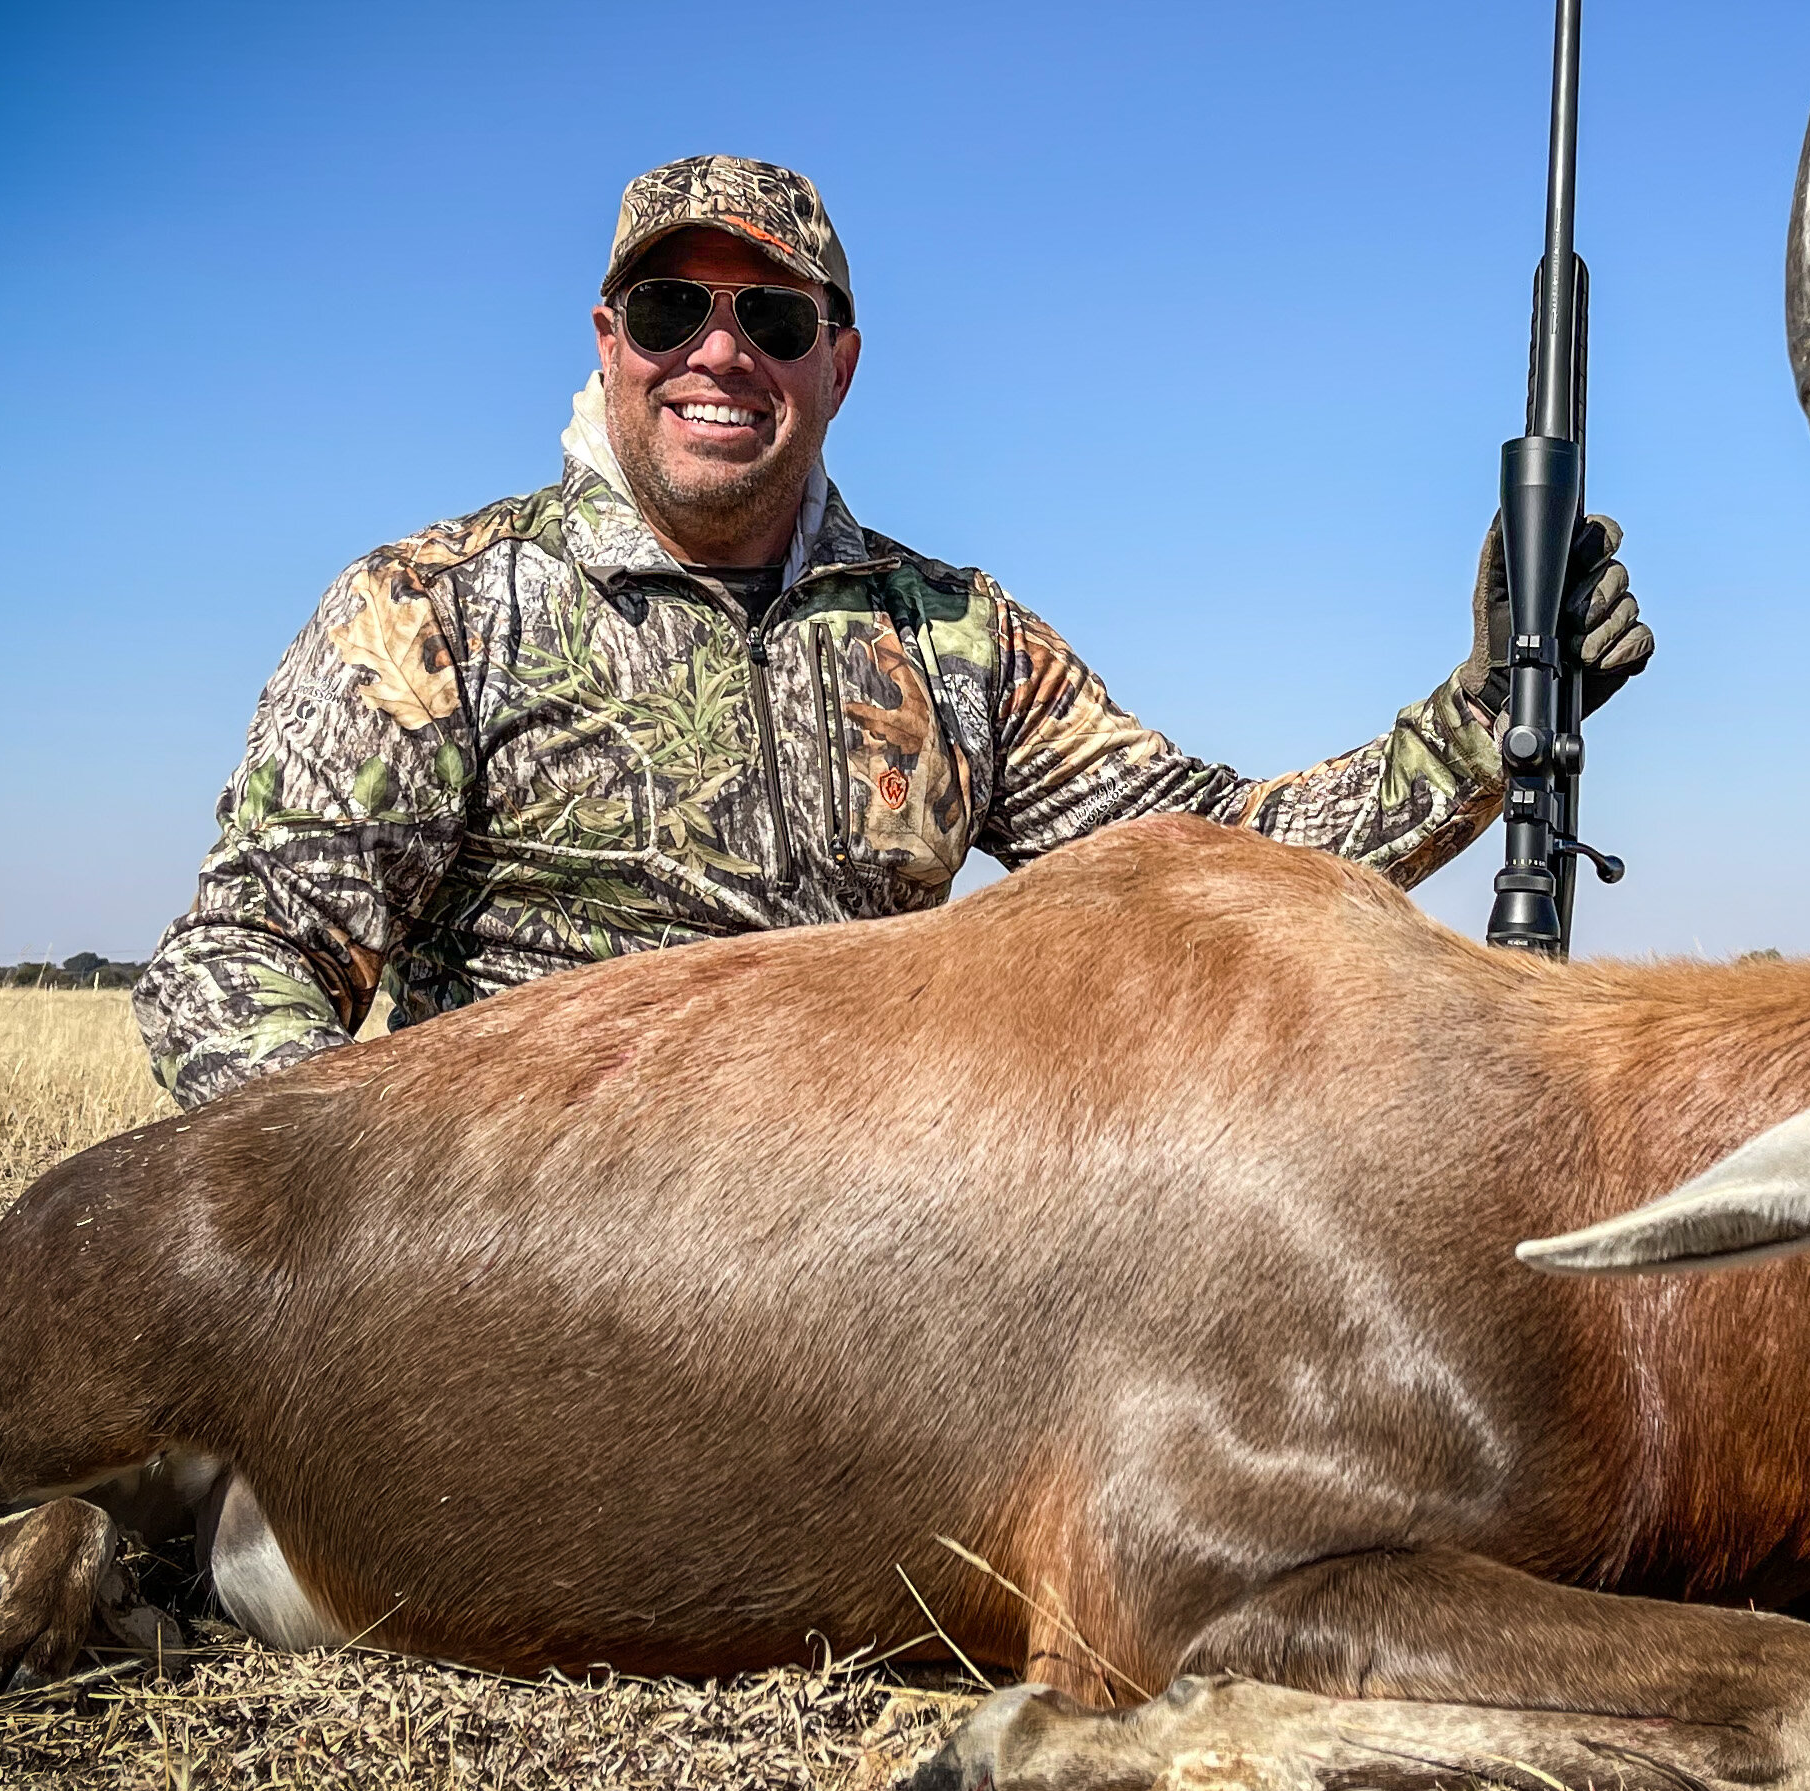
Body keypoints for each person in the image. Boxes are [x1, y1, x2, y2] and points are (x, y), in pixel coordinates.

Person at [134, 154, 1651, 1107]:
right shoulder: (433, 609)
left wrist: (1486, 717)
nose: (720, 351)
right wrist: (375, 1219)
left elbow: (1229, 858)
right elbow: (245, 953)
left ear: (839, 365)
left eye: (775, 320)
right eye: (670, 312)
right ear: (609, 349)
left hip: (864, 1266)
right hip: (518, 1260)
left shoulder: (956, 642)